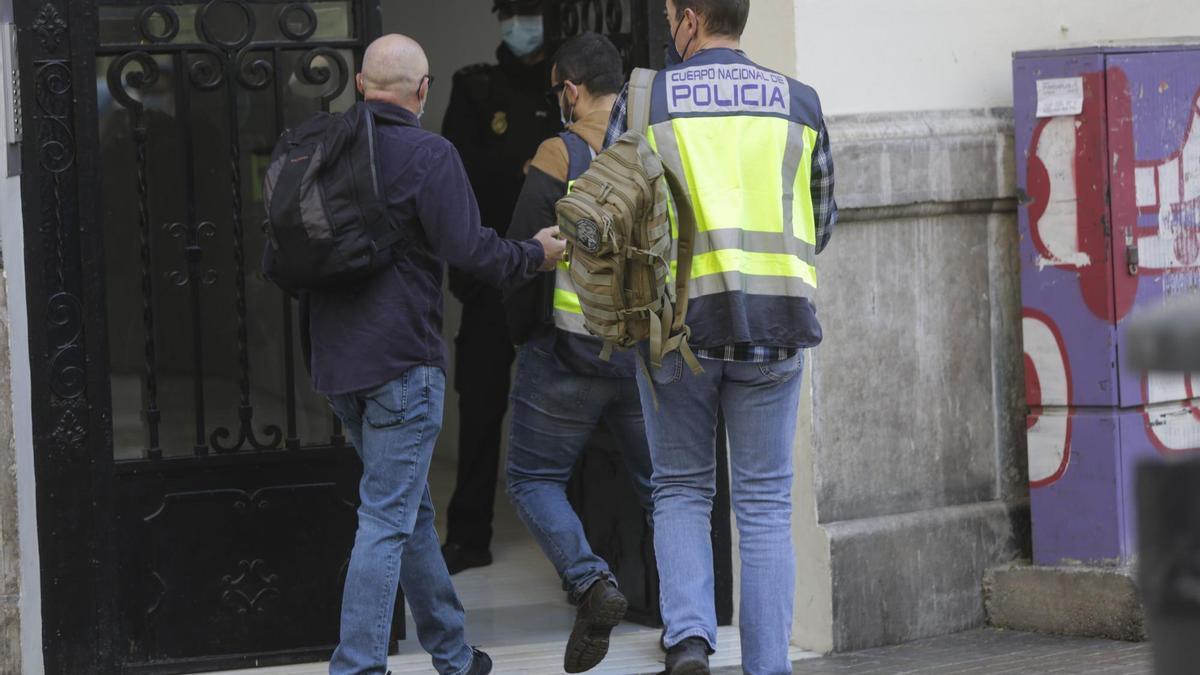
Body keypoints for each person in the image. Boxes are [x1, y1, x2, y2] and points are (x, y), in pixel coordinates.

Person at [301, 34, 566, 675]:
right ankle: (358, 666)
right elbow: (472, 252)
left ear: (361, 86)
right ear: (422, 92)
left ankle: (452, 653)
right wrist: (536, 252)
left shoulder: (319, 150)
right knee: (387, 518)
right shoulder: (428, 153)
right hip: (399, 366)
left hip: (339, 364)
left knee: (409, 507)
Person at [618, 2, 838, 673]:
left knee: (682, 487)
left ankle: (688, 639)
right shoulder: (798, 101)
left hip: (677, 327)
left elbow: (614, 215)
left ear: (687, 19)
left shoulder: (648, 102)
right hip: (774, 326)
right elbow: (821, 216)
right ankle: (767, 665)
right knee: (766, 503)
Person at [502, 33, 655, 674]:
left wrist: (523, 337)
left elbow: (520, 252)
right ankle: (691, 619)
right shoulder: (655, 143)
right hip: (644, 351)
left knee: (533, 478)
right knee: (668, 489)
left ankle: (592, 582)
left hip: (568, 354)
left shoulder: (560, 151)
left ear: (569, 89)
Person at [440, 0, 563, 576]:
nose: (518, 24)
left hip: (561, 274)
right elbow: (453, 175)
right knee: (482, 403)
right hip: (494, 271)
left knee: (572, 403)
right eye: (509, 12)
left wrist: (521, 170)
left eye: (528, 11)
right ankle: (468, 535)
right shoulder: (475, 89)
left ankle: (579, 543)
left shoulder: (567, 87)